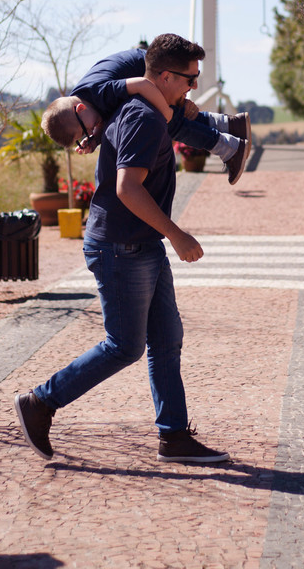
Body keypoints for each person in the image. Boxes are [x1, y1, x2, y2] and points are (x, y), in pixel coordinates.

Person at [15, 33, 229, 463]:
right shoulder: (142, 117)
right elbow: (128, 189)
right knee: (124, 346)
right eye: (189, 79)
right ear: (165, 76)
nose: (193, 88)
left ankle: (173, 435)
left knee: (167, 339)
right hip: (120, 247)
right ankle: (40, 402)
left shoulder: (147, 110)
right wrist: (177, 234)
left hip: (139, 243)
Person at [41, 46, 251, 184]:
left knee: (166, 121)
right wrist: (95, 139)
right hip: (143, 71)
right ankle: (231, 126)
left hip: (149, 69)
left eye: (85, 131)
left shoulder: (99, 93)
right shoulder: (87, 100)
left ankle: (230, 149)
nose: (90, 132)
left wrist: (169, 110)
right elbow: (105, 119)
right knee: (164, 116)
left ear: (80, 109)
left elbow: (142, 84)